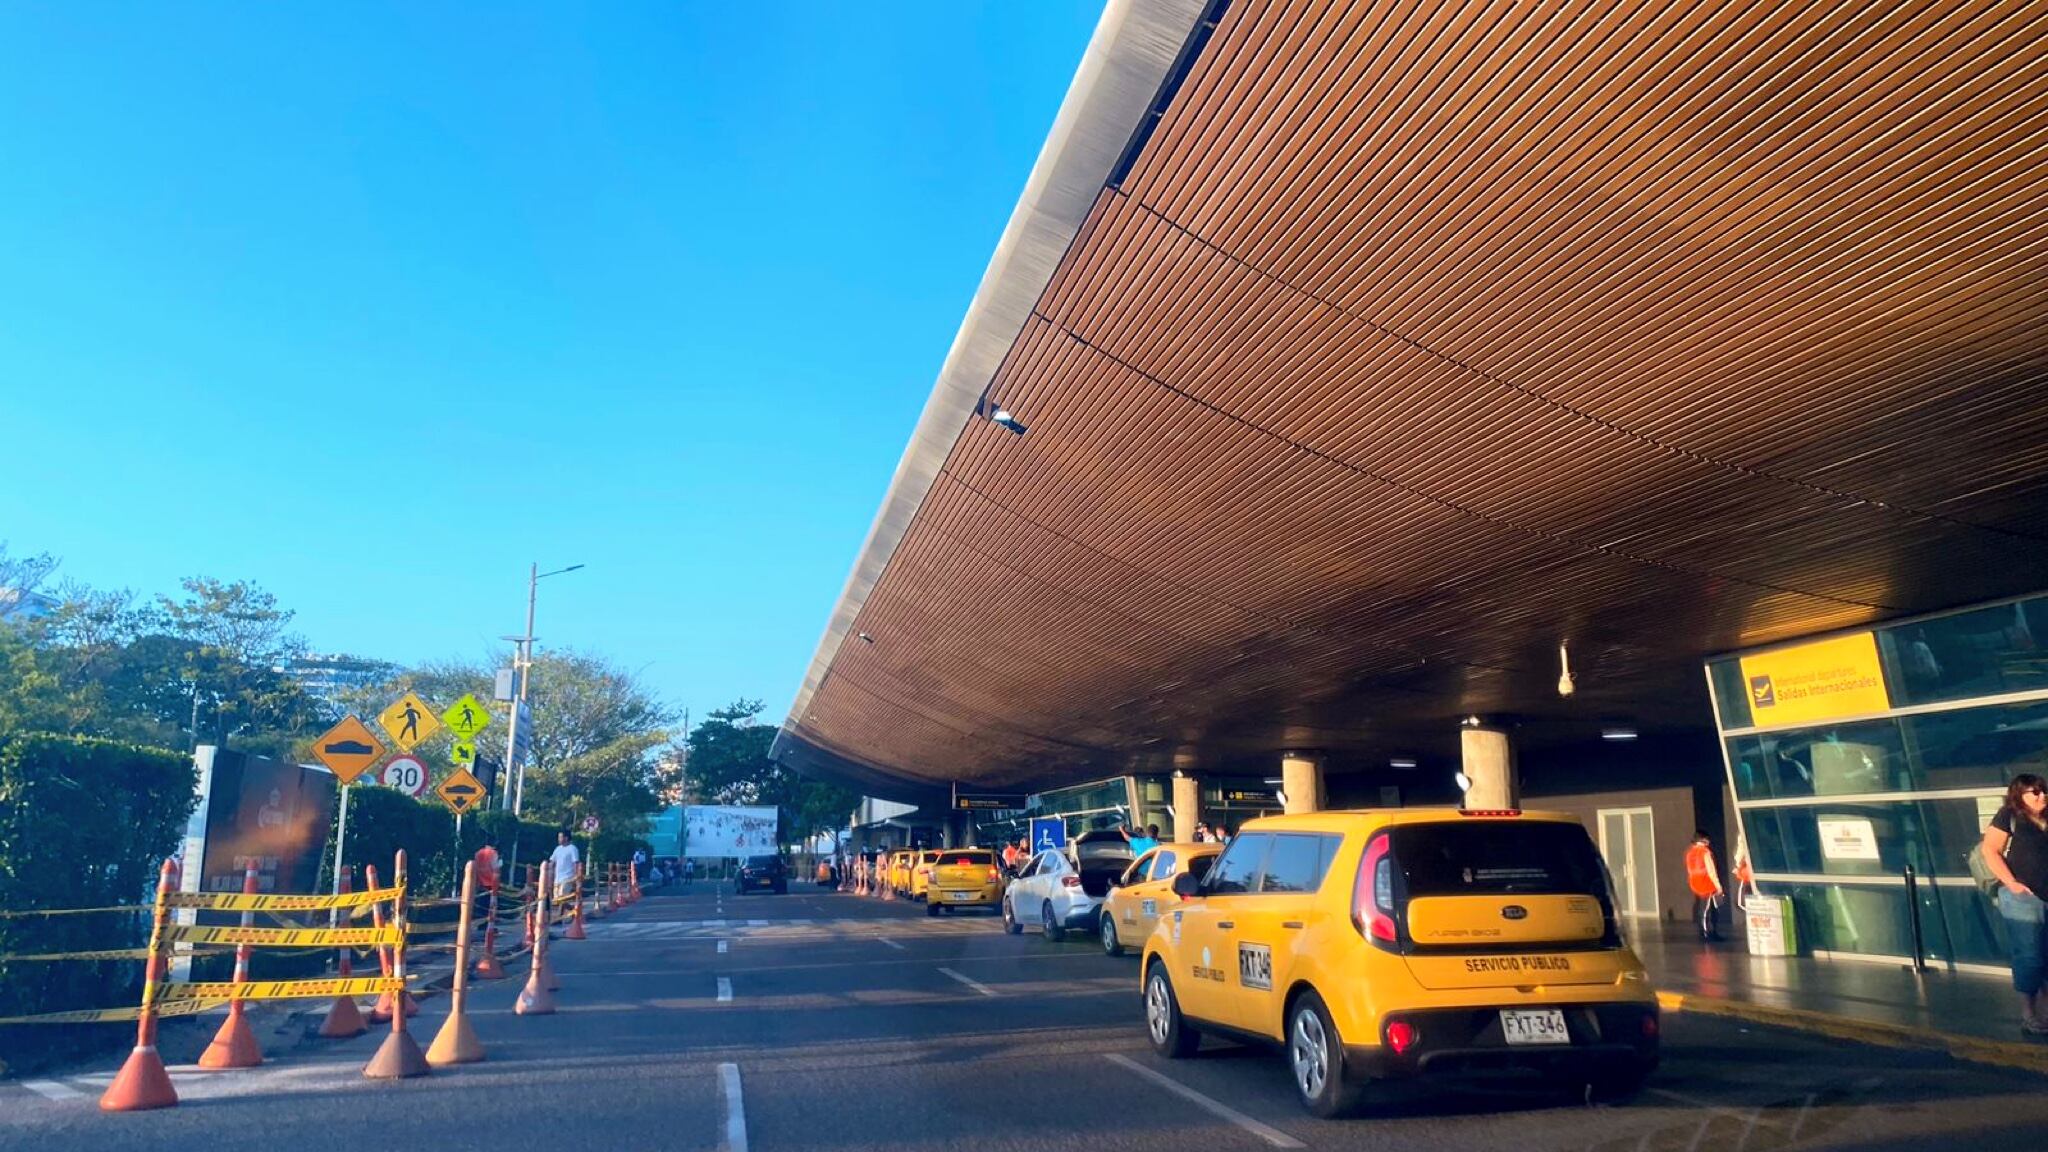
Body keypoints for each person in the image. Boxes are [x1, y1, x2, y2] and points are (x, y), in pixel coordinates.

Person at [1982, 773, 2048, 1035]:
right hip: (2023, 898)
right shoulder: (2009, 816)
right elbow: (1990, 850)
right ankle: (2028, 1013)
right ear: (2019, 795)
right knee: (2029, 956)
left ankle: (2045, 1013)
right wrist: (2011, 883)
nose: (2042, 796)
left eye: (2044, 791)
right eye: (2034, 792)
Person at [1685, 830, 1726, 942]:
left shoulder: (1690, 853)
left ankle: (1705, 930)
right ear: (1703, 840)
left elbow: (1689, 869)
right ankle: (1707, 932)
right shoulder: (1705, 852)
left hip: (1695, 882)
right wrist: (1718, 886)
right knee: (1708, 908)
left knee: (1702, 907)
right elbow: (1711, 871)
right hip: (1706, 883)